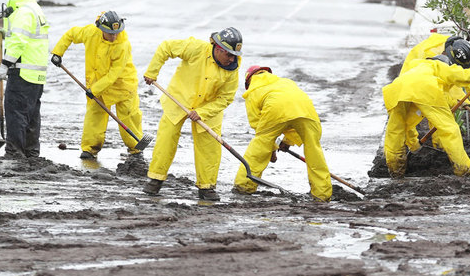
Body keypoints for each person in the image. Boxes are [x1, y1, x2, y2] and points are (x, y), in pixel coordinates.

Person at [142, 27, 242, 201]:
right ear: (218, 49)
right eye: (229, 55)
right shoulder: (196, 48)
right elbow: (166, 47)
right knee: (166, 138)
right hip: (180, 98)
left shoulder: (232, 69)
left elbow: (226, 98)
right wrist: (152, 72)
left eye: (235, 55)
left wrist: (202, 112)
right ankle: (155, 179)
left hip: (209, 108)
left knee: (210, 147)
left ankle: (207, 187)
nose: (232, 59)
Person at [382, 39, 470, 177]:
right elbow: (454, 75)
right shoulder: (439, 64)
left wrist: (414, 145)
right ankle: (464, 170)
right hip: (426, 90)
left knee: (396, 130)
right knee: (450, 129)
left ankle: (396, 170)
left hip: (399, 89)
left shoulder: (419, 65)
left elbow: (442, 91)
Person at [50, 11, 144, 160]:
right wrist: (58, 53)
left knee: (129, 117)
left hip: (123, 85)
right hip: (98, 83)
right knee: (95, 117)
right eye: (109, 33)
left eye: (116, 33)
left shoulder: (123, 45)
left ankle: (137, 149)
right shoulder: (90, 32)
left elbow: (114, 74)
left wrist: (94, 90)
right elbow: (71, 34)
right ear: (100, 29)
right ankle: (90, 149)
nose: (114, 36)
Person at [232, 66, 332, 202]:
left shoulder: (253, 91)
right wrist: (287, 141)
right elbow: (293, 116)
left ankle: (244, 186)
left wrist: (270, 148)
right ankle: (322, 194)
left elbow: (259, 127)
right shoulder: (286, 82)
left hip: (275, 108)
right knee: (313, 150)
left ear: (248, 82)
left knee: (259, 145)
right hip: (306, 110)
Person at [399, 33, 470, 153]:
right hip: (415, 76)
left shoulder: (464, 54)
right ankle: (409, 146)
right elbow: (439, 88)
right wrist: (456, 100)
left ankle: (440, 147)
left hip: (437, 78)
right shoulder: (433, 56)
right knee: (410, 114)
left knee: (443, 115)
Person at [0, 0, 49, 158]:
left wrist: (5, 64)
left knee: (15, 112)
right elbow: (24, 36)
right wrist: (5, 29)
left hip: (22, 71)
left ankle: (14, 153)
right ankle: (31, 152)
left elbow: (19, 41)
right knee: (31, 114)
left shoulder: (24, 11)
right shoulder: (34, 8)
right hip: (35, 73)